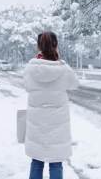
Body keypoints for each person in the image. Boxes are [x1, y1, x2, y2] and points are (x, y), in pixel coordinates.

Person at [24, 31, 78, 179]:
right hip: (57, 124)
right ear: (56, 45)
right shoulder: (63, 68)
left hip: (37, 122)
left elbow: (27, 86)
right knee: (56, 163)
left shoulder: (31, 68)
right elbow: (74, 84)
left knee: (36, 161)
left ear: (38, 46)